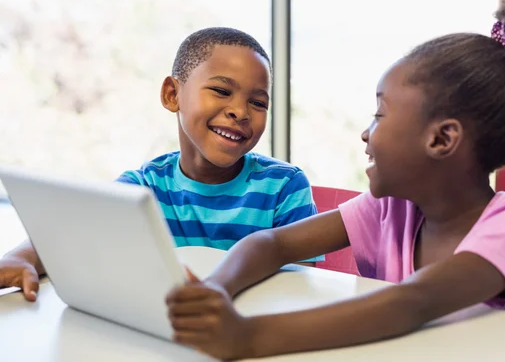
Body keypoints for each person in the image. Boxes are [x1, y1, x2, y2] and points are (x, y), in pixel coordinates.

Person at [165, 0, 505, 360]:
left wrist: (246, 337)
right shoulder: (390, 209)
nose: (365, 132)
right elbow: (271, 243)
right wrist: (216, 288)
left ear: (442, 139)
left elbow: (413, 302)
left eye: (380, 115)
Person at [0, 27, 322, 302]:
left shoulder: (285, 188)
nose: (240, 111)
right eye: (222, 91)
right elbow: (72, 230)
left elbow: (298, 290)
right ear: (172, 95)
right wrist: (19, 258)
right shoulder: (144, 186)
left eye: (258, 102)